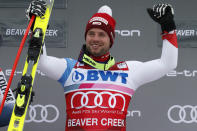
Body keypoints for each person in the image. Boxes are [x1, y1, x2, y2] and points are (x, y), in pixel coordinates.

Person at [26, 1, 178, 130]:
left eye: (102, 34)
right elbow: (41, 62)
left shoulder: (128, 71)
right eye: (91, 33)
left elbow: (167, 64)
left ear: (111, 39)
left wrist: (168, 28)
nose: (95, 38)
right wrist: (36, 26)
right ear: (86, 37)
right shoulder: (71, 69)